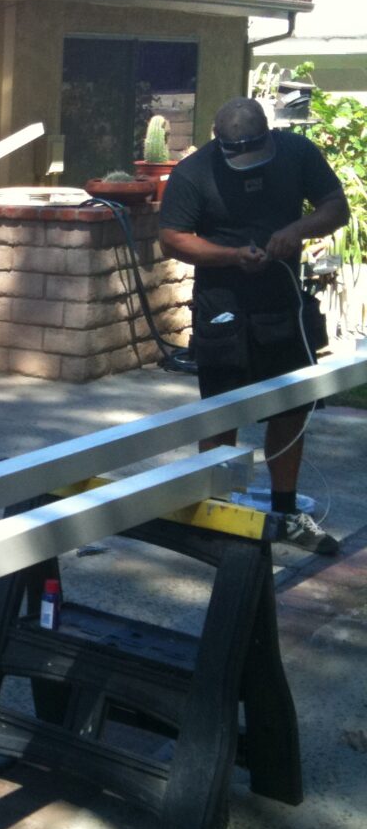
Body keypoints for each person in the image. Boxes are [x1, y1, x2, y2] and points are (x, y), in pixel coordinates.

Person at [159, 96, 349, 554]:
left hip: (282, 300)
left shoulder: (297, 153)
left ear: (270, 133)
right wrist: (230, 257)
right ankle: (217, 511)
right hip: (222, 303)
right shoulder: (194, 172)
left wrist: (297, 230)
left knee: (291, 406)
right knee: (224, 409)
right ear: (217, 140)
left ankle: (286, 512)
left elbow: (335, 206)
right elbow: (171, 238)